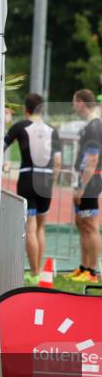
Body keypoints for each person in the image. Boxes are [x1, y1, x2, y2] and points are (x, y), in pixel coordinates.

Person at [2, 93, 61, 280]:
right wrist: (53, 179)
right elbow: (58, 161)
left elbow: (0, 146)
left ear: (25, 109)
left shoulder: (20, 126)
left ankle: (34, 272)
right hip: (46, 180)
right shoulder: (53, 130)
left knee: (30, 228)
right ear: (42, 109)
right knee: (41, 227)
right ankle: (39, 269)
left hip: (28, 177)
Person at [70, 89, 102, 283]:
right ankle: (83, 267)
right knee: (81, 222)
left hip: (91, 179)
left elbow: (92, 159)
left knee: (90, 225)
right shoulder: (89, 125)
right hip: (85, 178)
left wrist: (82, 187)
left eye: (74, 102)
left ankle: (92, 271)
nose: (73, 105)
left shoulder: (95, 126)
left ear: (81, 102)